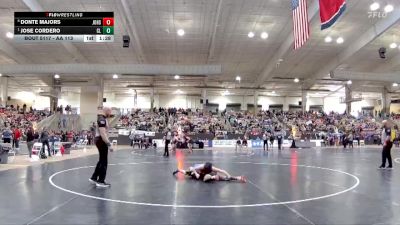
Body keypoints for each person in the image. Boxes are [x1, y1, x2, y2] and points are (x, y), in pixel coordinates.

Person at [89, 107, 114, 188]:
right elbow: (102, 133)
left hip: (100, 140)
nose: (110, 113)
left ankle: (94, 177)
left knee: (101, 160)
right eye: (110, 112)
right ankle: (101, 181)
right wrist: (108, 144)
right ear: (106, 111)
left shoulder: (103, 118)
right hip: (101, 140)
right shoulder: (101, 119)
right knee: (104, 161)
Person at [172, 162, 246, 183]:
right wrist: (196, 173)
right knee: (185, 172)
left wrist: (228, 175)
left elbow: (222, 170)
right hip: (196, 173)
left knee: (223, 178)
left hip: (205, 175)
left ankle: (238, 178)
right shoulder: (201, 166)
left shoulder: (212, 168)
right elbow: (192, 168)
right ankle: (178, 170)